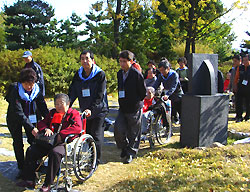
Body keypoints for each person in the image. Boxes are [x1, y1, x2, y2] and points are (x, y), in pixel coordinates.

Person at [16, 94, 82, 191]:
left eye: (61, 103)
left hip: (64, 142)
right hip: (50, 140)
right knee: (31, 150)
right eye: (56, 104)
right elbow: (41, 123)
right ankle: (29, 179)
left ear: (68, 104)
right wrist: (46, 128)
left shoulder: (73, 114)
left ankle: (47, 184)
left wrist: (60, 135)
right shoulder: (52, 113)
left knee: (55, 153)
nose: (59, 106)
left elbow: (77, 127)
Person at [5, 68, 48, 178]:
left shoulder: (37, 90)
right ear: (21, 83)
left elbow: (42, 105)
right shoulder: (15, 90)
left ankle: (35, 164)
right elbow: (18, 112)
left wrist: (49, 119)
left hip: (32, 117)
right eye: (26, 84)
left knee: (34, 140)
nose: (29, 87)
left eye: (31, 84)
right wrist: (30, 127)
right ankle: (21, 166)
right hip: (15, 119)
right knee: (18, 142)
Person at [68, 50, 108, 165]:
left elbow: (100, 95)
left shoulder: (100, 74)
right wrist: (66, 105)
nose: (85, 61)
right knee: (88, 134)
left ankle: (96, 161)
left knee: (96, 135)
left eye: (87, 58)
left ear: (92, 61)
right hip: (85, 110)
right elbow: (73, 92)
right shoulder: (78, 75)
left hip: (99, 110)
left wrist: (92, 109)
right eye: (82, 59)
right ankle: (91, 158)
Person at [114, 50, 146, 164]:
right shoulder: (119, 73)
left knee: (134, 132)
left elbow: (143, 91)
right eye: (120, 61)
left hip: (134, 107)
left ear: (131, 62)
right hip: (123, 107)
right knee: (118, 128)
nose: (122, 64)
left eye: (124, 61)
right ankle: (124, 147)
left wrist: (136, 100)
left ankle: (131, 153)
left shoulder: (136, 74)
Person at [153, 58, 183, 124]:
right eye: (160, 70)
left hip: (176, 93)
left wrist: (167, 95)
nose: (162, 72)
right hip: (167, 93)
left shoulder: (174, 74)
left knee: (178, 106)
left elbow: (173, 87)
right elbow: (156, 85)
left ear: (168, 69)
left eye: (163, 70)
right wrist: (151, 91)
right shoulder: (161, 75)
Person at [234, 54, 250, 122]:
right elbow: (237, 77)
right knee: (238, 102)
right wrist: (235, 85)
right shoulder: (240, 68)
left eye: (246, 60)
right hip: (241, 87)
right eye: (243, 60)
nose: (245, 62)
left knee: (248, 103)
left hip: (249, 87)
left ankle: (247, 116)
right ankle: (239, 116)